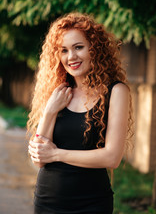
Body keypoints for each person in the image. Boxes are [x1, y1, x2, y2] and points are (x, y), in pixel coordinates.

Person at [27, 12, 133, 214]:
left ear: (94, 48)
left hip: (92, 203)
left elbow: (112, 158)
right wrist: (50, 111)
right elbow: (39, 159)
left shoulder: (116, 92)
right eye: (64, 50)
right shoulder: (57, 92)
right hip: (48, 201)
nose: (71, 57)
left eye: (78, 47)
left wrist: (56, 154)